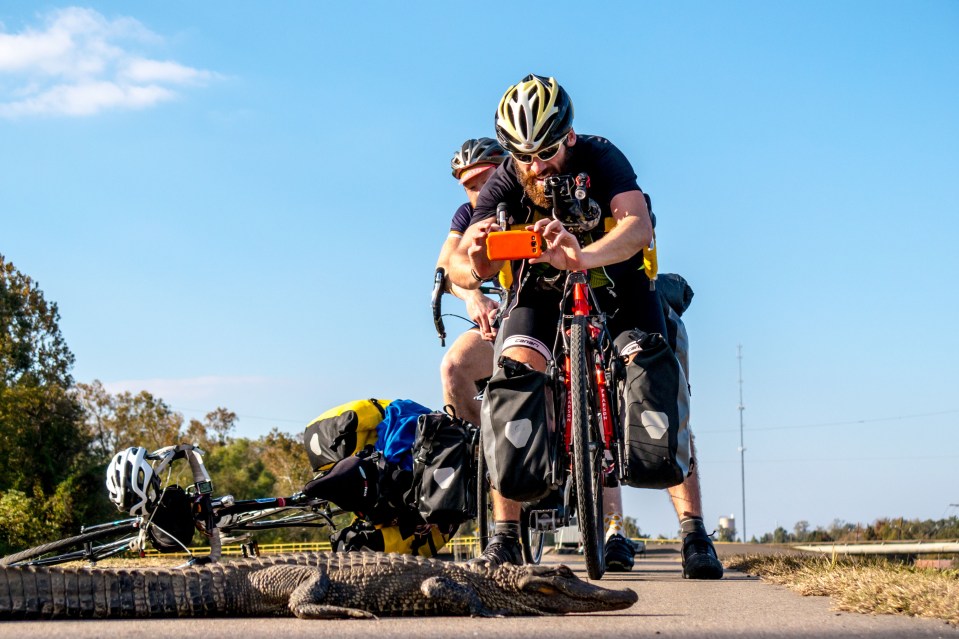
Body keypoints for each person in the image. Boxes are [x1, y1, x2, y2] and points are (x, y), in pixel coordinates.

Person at [450, 73, 723, 578]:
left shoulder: (601, 156)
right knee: (512, 380)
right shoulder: (508, 179)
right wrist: (479, 254)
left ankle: (694, 532)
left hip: (616, 280)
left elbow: (637, 226)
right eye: (523, 156)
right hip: (540, 288)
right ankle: (506, 536)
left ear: (569, 136)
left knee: (655, 378)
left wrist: (583, 256)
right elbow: (464, 268)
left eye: (546, 151)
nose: (536, 165)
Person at [435, 138, 506, 426]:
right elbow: (444, 269)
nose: (481, 193)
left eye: (487, 181)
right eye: (471, 186)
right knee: (454, 368)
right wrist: (473, 296)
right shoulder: (467, 215)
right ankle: (479, 448)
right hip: (508, 313)